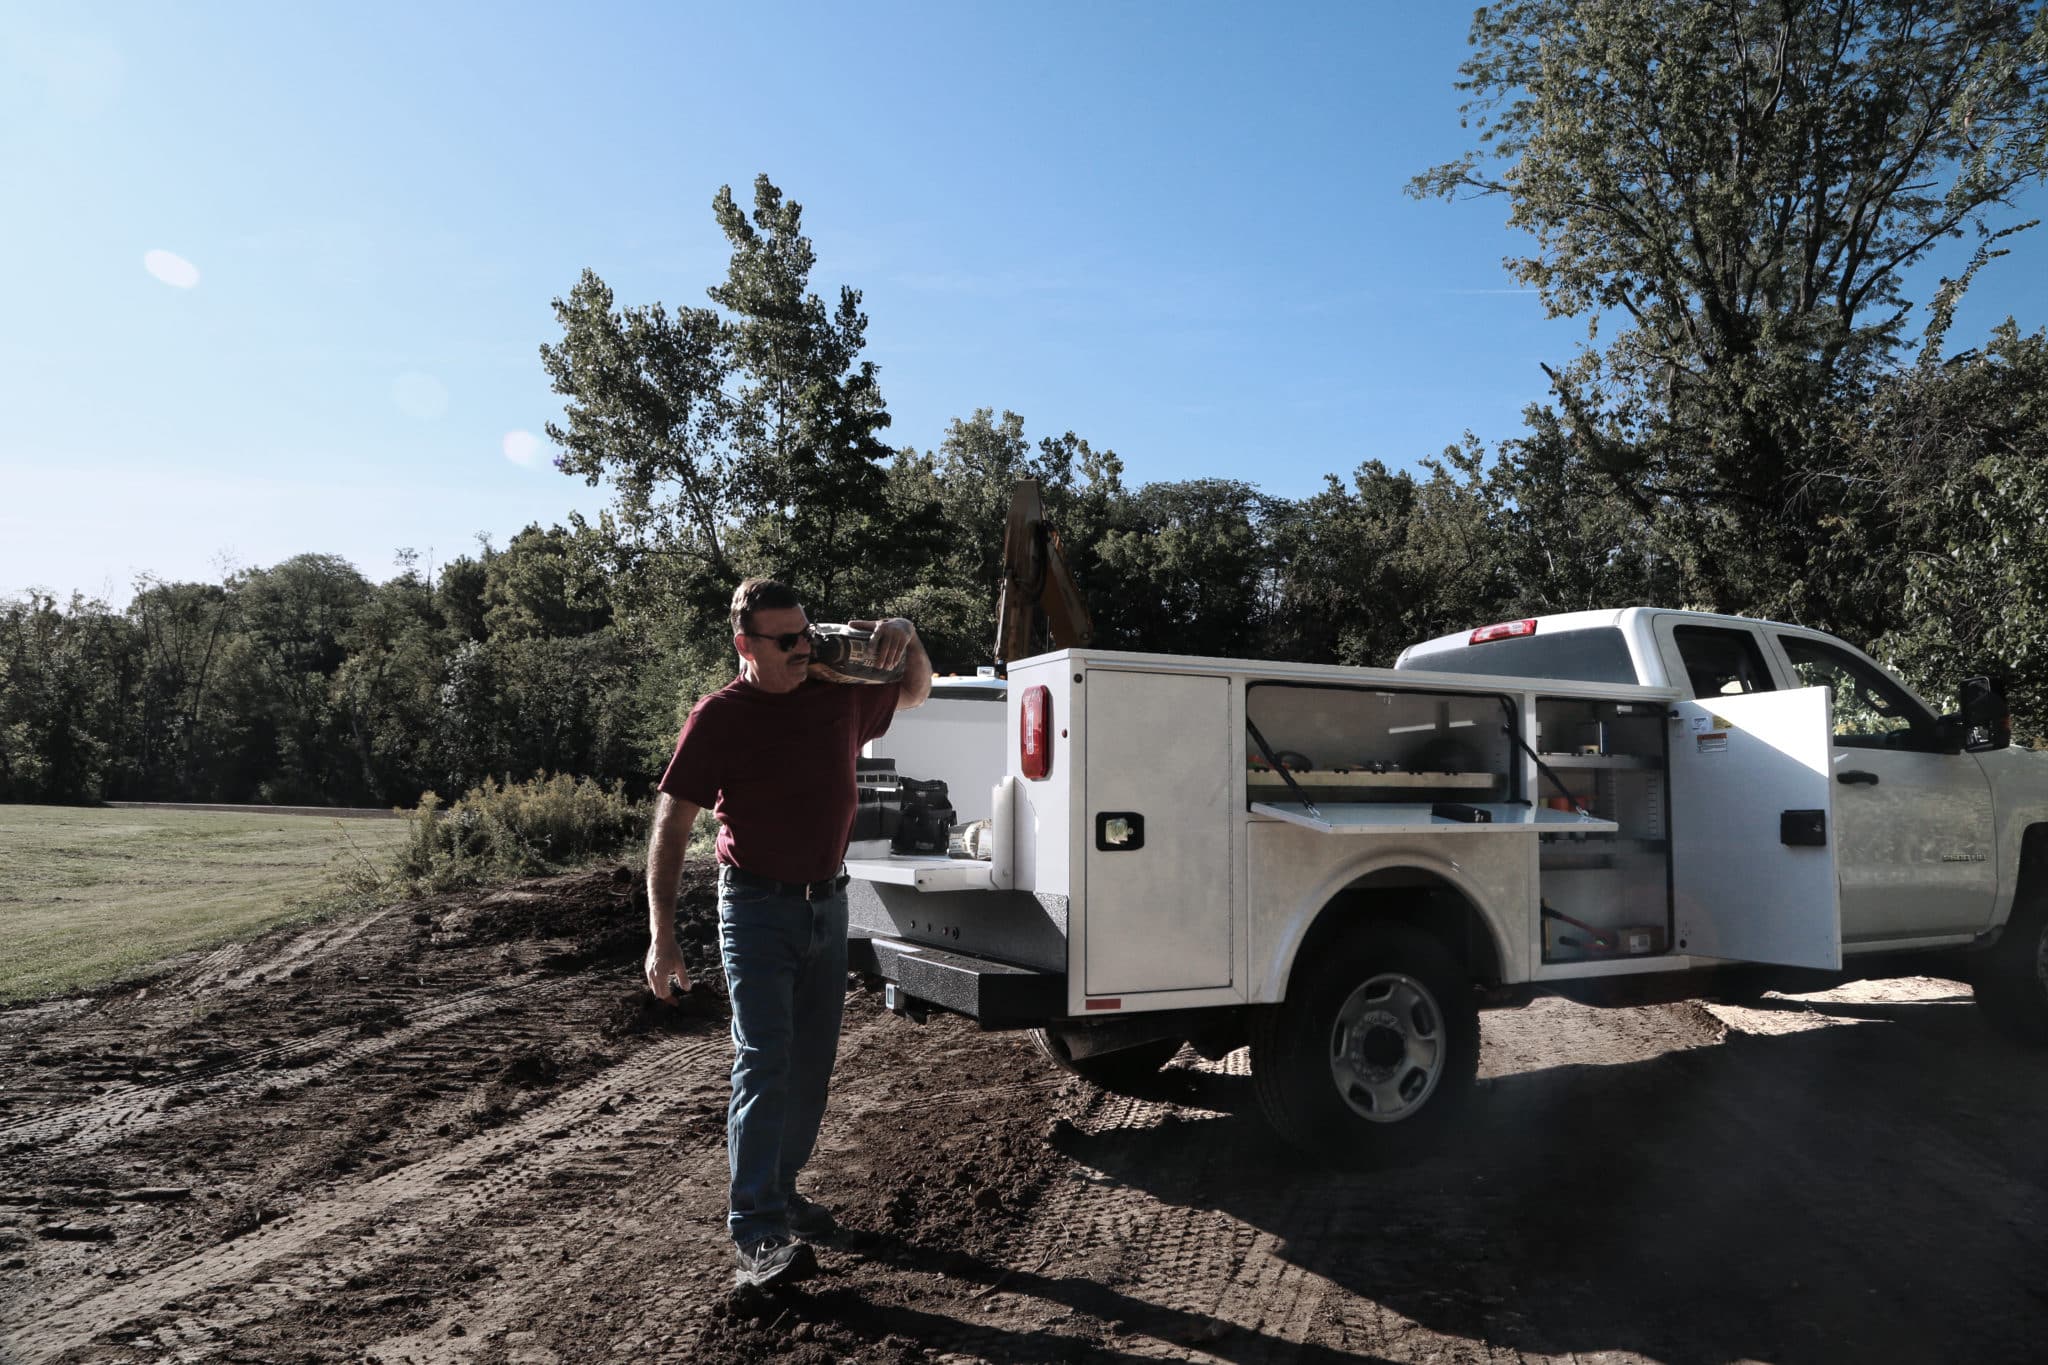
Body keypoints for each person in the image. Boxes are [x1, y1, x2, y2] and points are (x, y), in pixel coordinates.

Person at [643, 578, 930, 1291]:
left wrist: (907, 632)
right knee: (765, 1058)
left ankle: (783, 1188)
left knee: (809, 1065)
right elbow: (673, 825)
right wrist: (661, 936)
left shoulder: (835, 693)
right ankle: (758, 1233)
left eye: (806, 632)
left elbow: (917, 689)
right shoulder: (718, 717)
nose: (806, 646)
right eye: (787, 640)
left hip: (829, 904)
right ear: (745, 646)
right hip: (756, 907)